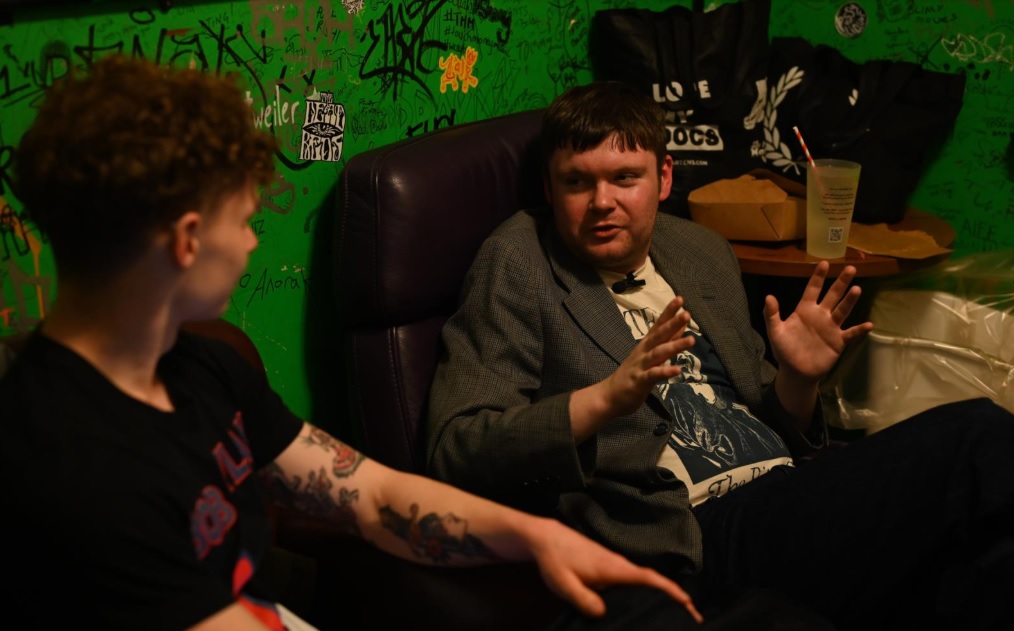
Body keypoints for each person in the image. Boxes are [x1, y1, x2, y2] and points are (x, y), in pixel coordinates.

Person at [0, 57, 707, 631]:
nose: (251, 244)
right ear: (187, 241)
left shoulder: (197, 364)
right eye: (243, 221)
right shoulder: (68, 461)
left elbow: (369, 495)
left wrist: (538, 538)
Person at [425, 80, 1014, 629]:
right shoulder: (518, 262)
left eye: (624, 178)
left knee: (994, 565)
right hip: (691, 534)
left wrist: (798, 378)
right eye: (577, 182)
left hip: (783, 495)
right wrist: (603, 400)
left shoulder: (700, 250)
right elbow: (456, 448)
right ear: (549, 188)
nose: (601, 201)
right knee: (976, 438)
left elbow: (771, 419)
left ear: (663, 178)